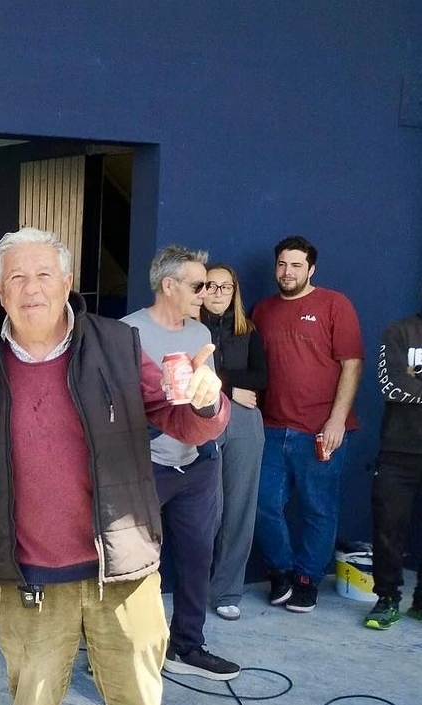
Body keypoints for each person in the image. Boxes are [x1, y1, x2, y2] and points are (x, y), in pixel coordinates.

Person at [0, 227, 228, 705]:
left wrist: (207, 400)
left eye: (44, 275)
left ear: (68, 282)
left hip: (122, 570)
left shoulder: (118, 344)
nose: (31, 289)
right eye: (16, 277)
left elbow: (181, 419)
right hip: (28, 576)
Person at [122, 246, 240, 680]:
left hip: (196, 465)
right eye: (198, 285)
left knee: (196, 558)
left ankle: (187, 646)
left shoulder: (200, 333)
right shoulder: (127, 332)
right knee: (131, 566)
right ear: (168, 285)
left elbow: (206, 396)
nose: (206, 293)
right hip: (145, 467)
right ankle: (119, 655)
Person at [252, 235, 364, 613]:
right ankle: (281, 571)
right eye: (282, 264)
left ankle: (307, 579)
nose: (288, 272)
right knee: (263, 504)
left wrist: (336, 420)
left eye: (297, 265)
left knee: (319, 509)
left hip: (321, 430)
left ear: (311, 269)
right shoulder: (262, 310)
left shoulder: (334, 304)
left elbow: (352, 364)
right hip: (271, 427)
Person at [200, 264, 268, 620]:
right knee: (206, 509)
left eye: (225, 287)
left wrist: (225, 383)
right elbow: (188, 372)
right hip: (203, 416)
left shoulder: (248, 330)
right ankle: (195, 585)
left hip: (244, 420)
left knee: (240, 508)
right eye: (211, 285)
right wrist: (231, 387)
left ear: (234, 291)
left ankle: (227, 590)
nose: (218, 293)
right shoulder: (189, 328)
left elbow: (262, 377)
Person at [364, 305, 422, 629]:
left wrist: (416, 378)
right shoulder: (399, 331)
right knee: (388, 530)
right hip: (398, 453)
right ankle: (387, 599)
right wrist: (407, 379)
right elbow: (393, 385)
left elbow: (409, 383)